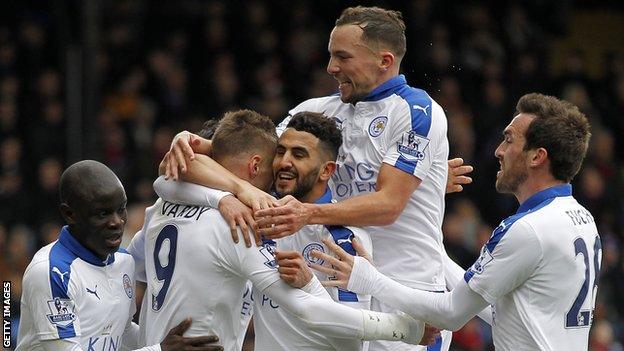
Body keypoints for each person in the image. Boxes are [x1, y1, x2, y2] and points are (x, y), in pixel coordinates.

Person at [164, 6, 470, 350]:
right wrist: (202, 157)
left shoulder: (417, 112)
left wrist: (306, 214)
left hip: (403, 290)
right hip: (329, 278)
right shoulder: (315, 112)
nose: (331, 67)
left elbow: (388, 206)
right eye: (330, 55)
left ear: (384, 61)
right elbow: (224, 162)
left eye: (342, 56)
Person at [313, 93, 601, 351]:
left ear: (537, 157)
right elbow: (504, 310)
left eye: (509, 140)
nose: (499, 151)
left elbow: (451, 312)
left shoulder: (527, 230)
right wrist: (421, 207)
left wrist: (369, 280)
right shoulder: (580, 218)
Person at [127, 110, 430, 351]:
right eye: (279, 153)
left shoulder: (162, 208)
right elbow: (309, 309)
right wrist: (409, 329)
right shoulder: (243, 223)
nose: (283, 163)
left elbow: (350, 344)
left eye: (298, 155)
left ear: (326, 170)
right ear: (257, 165)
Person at [15, 160, 222, 351]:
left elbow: (120, 332)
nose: (117, 222)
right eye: (103, 213)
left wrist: (174, 343)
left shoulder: (125, 262)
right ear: (70, 214)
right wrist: (159, 349)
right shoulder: (51, 272)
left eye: (121, 209)